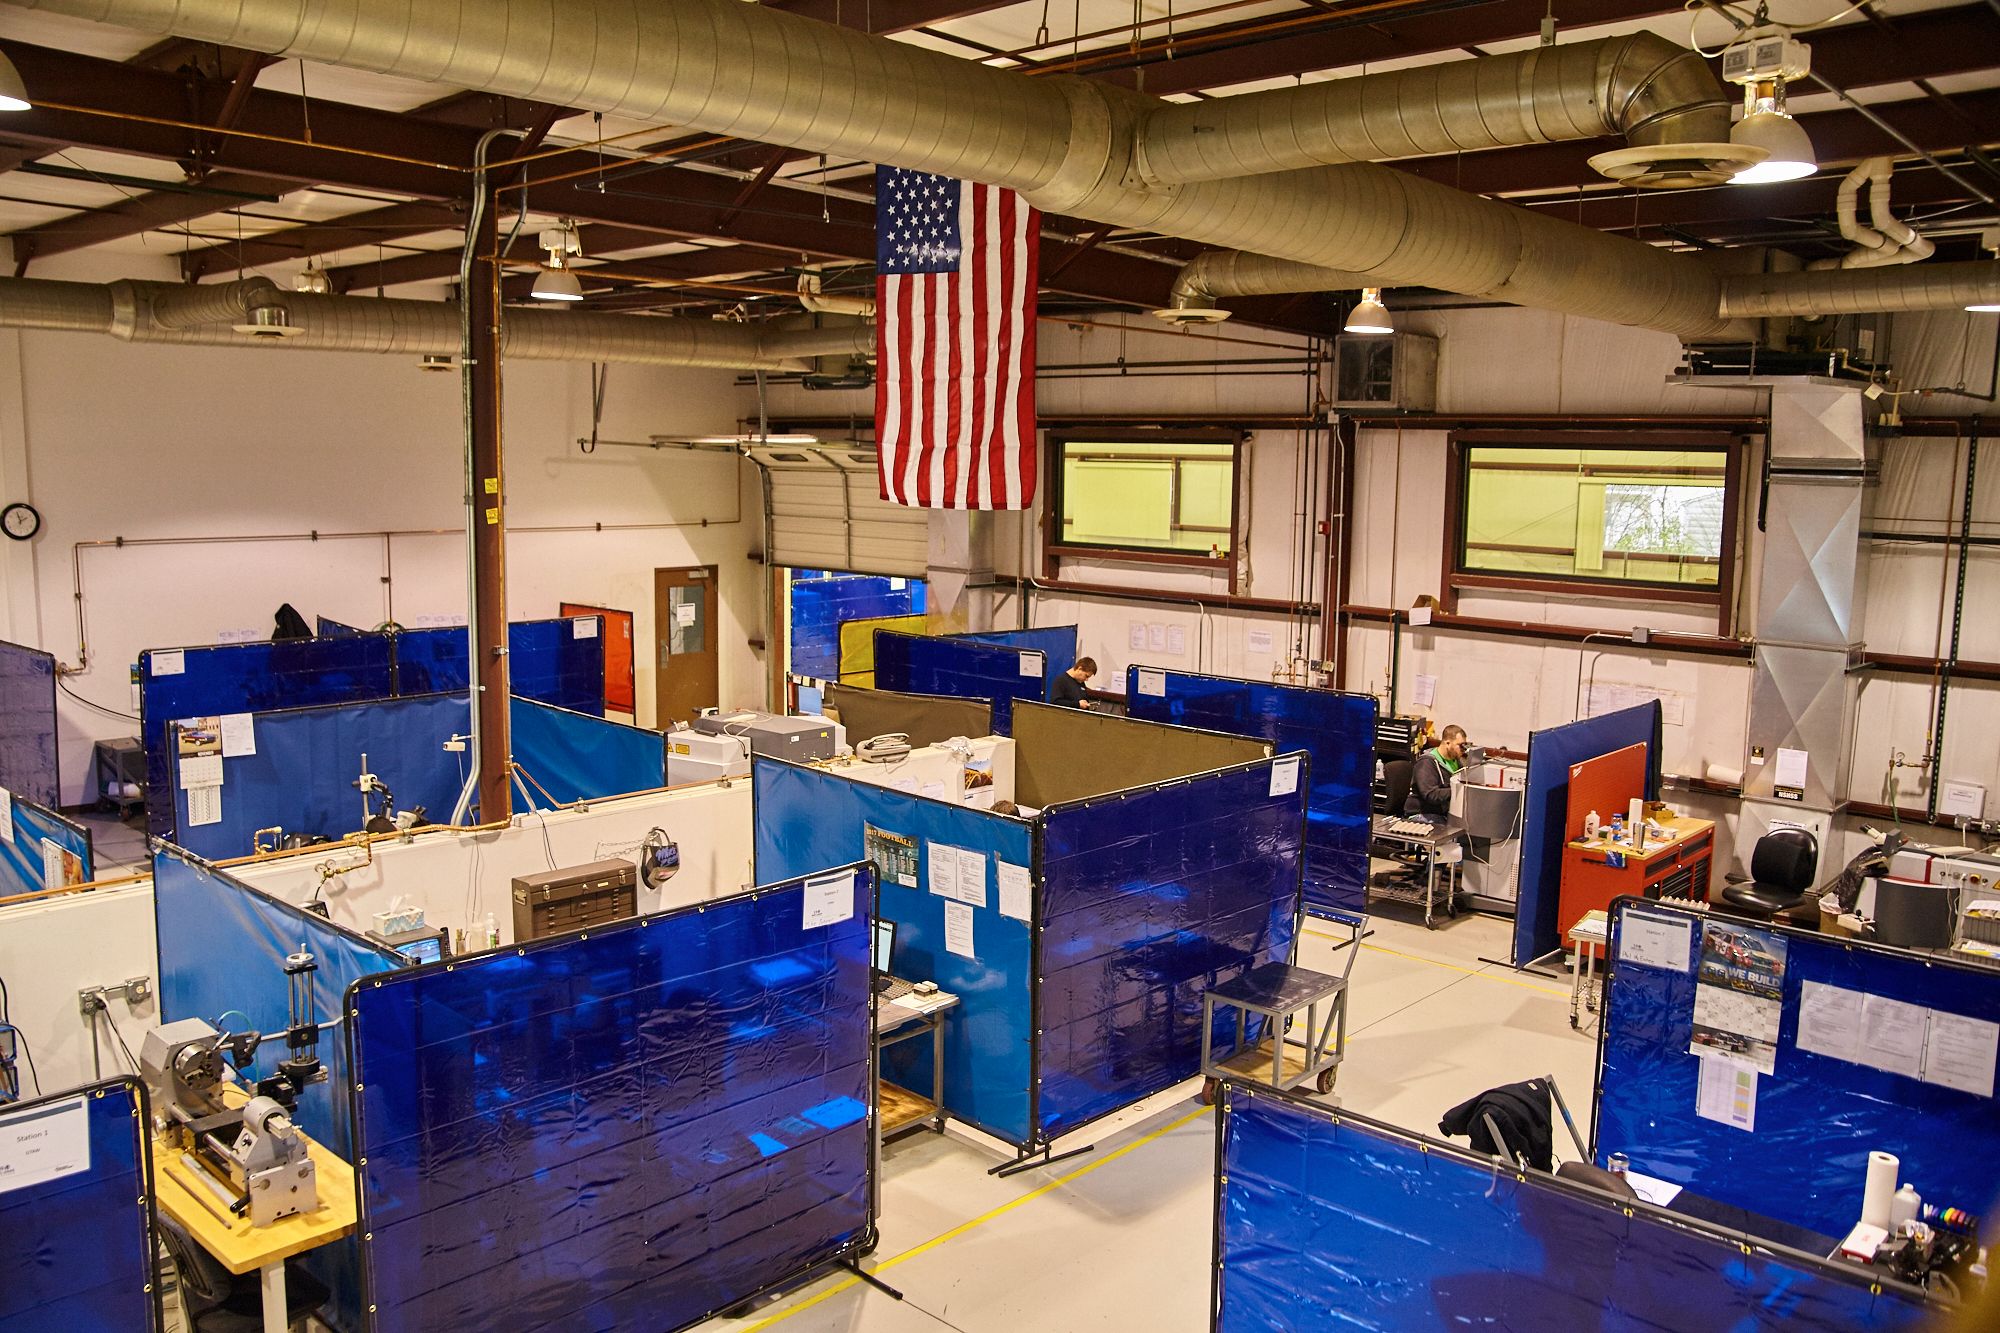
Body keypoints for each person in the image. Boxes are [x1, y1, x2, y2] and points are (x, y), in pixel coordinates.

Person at [1409, 723, 1470, 817]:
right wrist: (1459, 791)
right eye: (1460, 745)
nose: (1463, 749)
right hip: (1424, 813)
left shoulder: (1456, 761)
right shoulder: (1427, 763)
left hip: (1444, 811)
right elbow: (1430, 794)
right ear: (1447, 743)